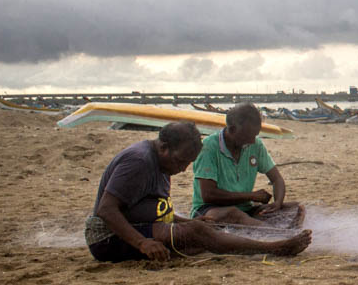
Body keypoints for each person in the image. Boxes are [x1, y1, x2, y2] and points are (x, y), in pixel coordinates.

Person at [86, 122, 311, 263]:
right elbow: (106, 210)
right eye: (180, 161)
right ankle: (275, 248)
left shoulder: (161, 162)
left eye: (188, 163)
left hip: (139, 228)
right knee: (197, 233)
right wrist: (142, 243)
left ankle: (269, 241)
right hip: (107, 239)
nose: (183, 169)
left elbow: (148, 211)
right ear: (163, 147)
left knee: (200, 233)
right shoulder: (139, 161)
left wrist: (184, 221)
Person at [190, 103, 303, 226]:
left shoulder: (255, 144)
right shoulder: (209, 146)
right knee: (233, 214)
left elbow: (277, 179)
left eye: (255, 135)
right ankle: (276, 233)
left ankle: (267, 229)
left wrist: (278, 203)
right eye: (248, 135)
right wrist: (251, 196)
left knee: (296, 208)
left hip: (245, 209)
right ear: (232, 129)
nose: (252, 141)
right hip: (209, 210)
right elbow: (208, 195)